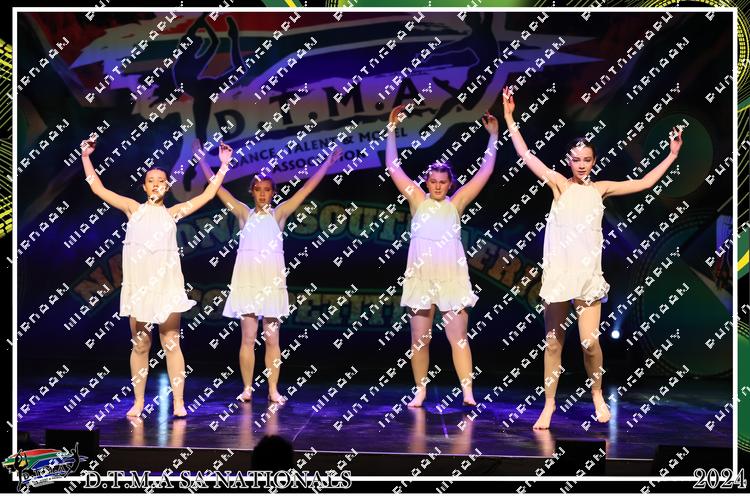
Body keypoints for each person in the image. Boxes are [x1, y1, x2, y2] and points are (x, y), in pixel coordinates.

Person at [501, 86, 683, 429]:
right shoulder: (559, 184)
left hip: (587, 277)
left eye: (587, 160)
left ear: (594, 161)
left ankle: (597, 394)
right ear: (568, 162)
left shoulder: (601, 189)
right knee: (553, 344)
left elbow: (645, 182)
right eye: (577, 160)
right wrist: (510, 118)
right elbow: (526, 154)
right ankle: (549, 405)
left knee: (589, 343)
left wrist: (671, 155)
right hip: (559, 275)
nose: (582, 165)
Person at [80, 134, 234, 417]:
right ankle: (138, 402)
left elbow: (208, 194)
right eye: (150, 180)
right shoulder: (133, 208)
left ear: (167, 185)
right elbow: (97, 188)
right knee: (141, 345)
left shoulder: (173, 212)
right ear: (144, 186)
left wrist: (223, 165)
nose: (155, 184)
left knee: (171, 342)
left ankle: (179, 402)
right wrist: (86, 157)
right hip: (140, 287)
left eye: (161, 180)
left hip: (166, 286)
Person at [196, 139, 342, 403]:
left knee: (272, 339)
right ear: (252, 192)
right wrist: (203, 160)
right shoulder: (244, 214)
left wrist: (327, 164)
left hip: (271, 283)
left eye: (267, 190)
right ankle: (247, 388)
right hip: (248, 282)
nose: (262, 194)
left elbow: (306, 189)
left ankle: (273, 389)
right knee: (248, 338)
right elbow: (218, 189)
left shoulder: (279, 214)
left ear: (273, 193)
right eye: (258, 190)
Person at [385, 104, 499, 407]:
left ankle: (468, 392)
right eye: (433, 181)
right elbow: (393, 167)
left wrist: (492, 137)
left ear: (450, 184)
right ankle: (420, 391)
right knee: (419, 340)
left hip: (451, 279)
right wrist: (392, 129)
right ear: (427, 182)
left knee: (458, 338)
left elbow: (485, 172)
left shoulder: (456, 203)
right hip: (422, 278)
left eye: (442, 182)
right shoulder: (417, 200)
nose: (437, 186)